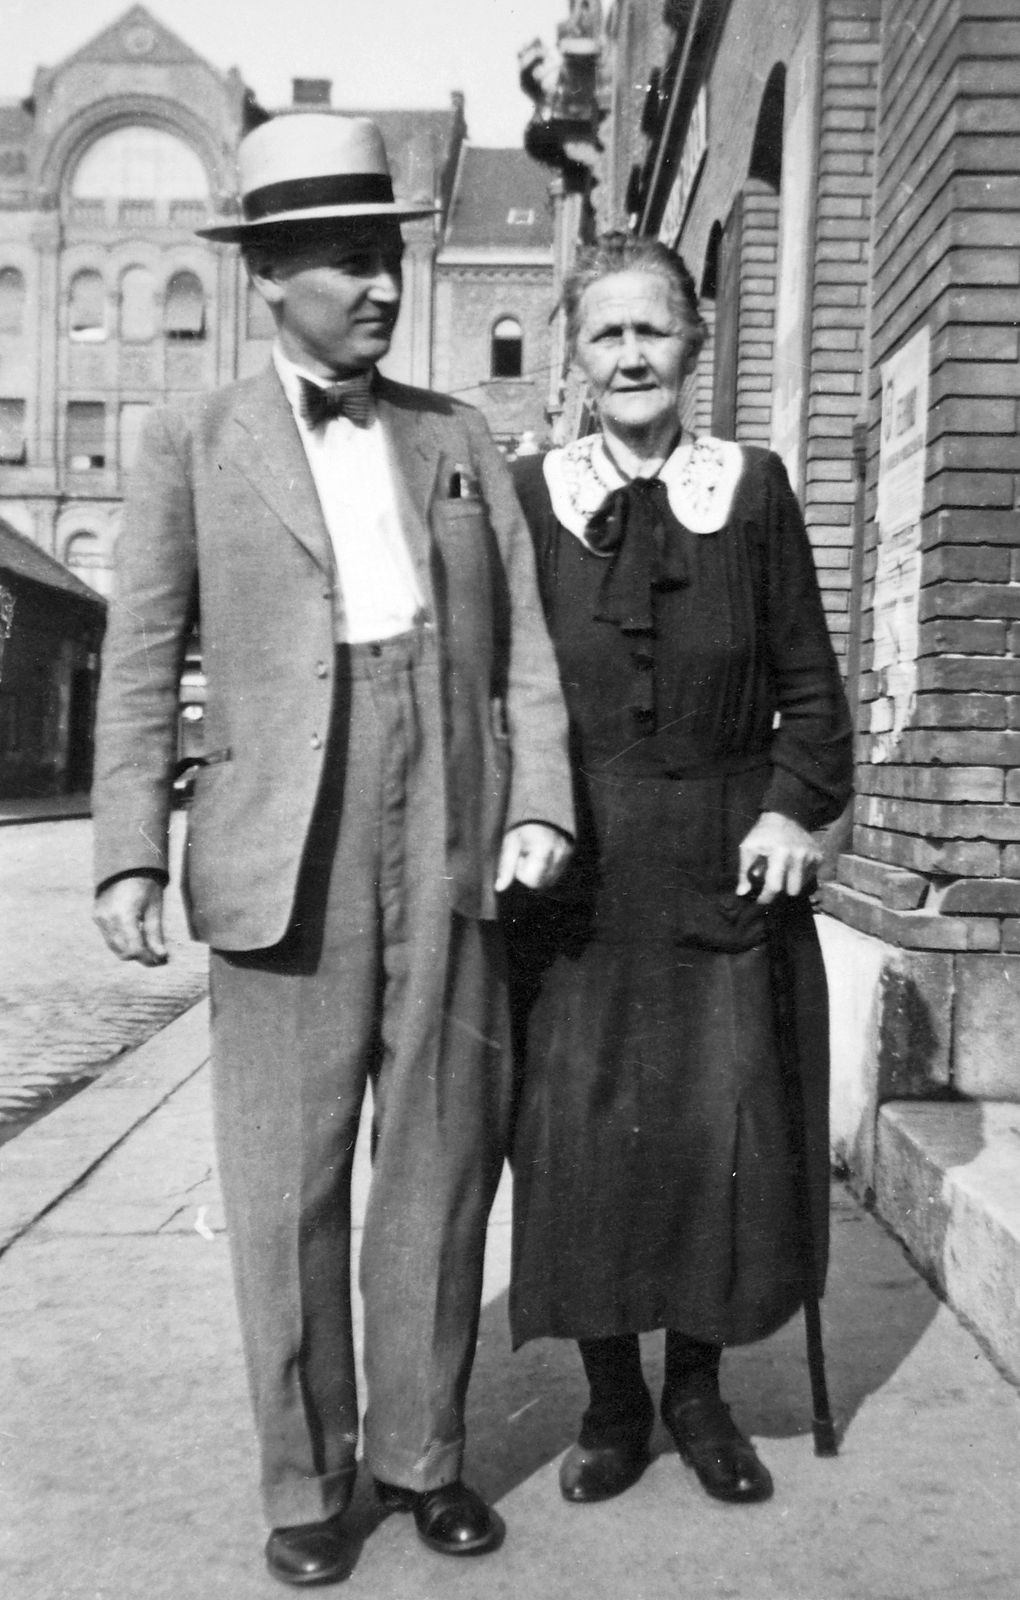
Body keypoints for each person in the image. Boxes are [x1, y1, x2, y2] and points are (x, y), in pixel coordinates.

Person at [92, 113, 573, 1588]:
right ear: (273, 278)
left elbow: (530, 654)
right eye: (351, 262)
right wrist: (126, 849)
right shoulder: (190, 440)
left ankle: (421, 1456)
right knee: (288, 1176)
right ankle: (306, 1482)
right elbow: (139, 652)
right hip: (279, 825)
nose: (380, 286)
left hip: (450, 801)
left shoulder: (456, 435)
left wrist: (538, 798)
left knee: (438, 1154)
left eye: (388, 259)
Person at [502, 233, 852, 1511]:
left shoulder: (750, 489)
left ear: (697, 342)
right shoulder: (533, 491)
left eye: (654, 328)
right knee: (580, 1137)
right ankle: (610, 1405)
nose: (632, 353)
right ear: (576, 356)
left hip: (720, 860)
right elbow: (504, 689)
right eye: (607, 333)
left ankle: (697, 1395)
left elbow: (812, 692)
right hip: (575, 872)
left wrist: (788, 815)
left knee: (714, 1136)